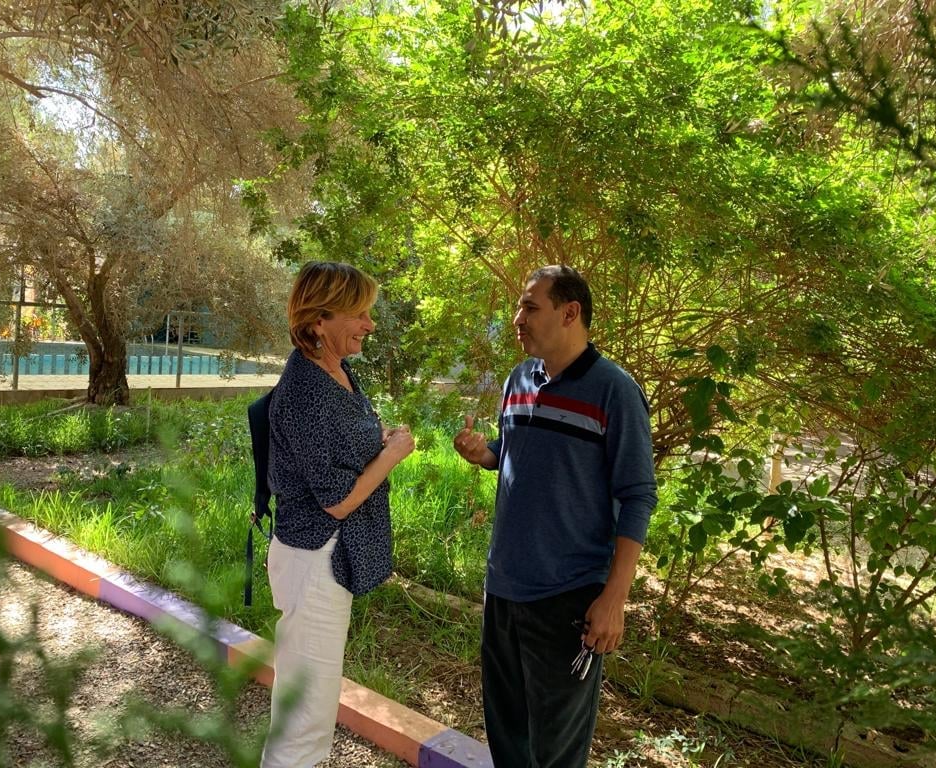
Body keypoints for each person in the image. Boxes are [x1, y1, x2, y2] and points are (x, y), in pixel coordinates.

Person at [453, 265, 657, 768]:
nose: (517, 318)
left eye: (530, 306)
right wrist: (485, 453)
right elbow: (517, 454)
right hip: (503, 587)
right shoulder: (518, 379)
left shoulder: (615, 391)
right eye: (519, 307)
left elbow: (638, 496)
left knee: (556, 752)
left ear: (570, 313)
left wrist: (614, 598)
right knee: (508, 737)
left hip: (568, 596)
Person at [261, 261, 415, 768]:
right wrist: (391, 456)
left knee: (314, 697)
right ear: (319, 320)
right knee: (306, 710)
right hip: (315, 559)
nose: (370, 324)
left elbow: (338, 452)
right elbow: (337, 500)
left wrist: (379, 440)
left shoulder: (337, 370)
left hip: (329, 556)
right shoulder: (305, 391)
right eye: (360, 313)